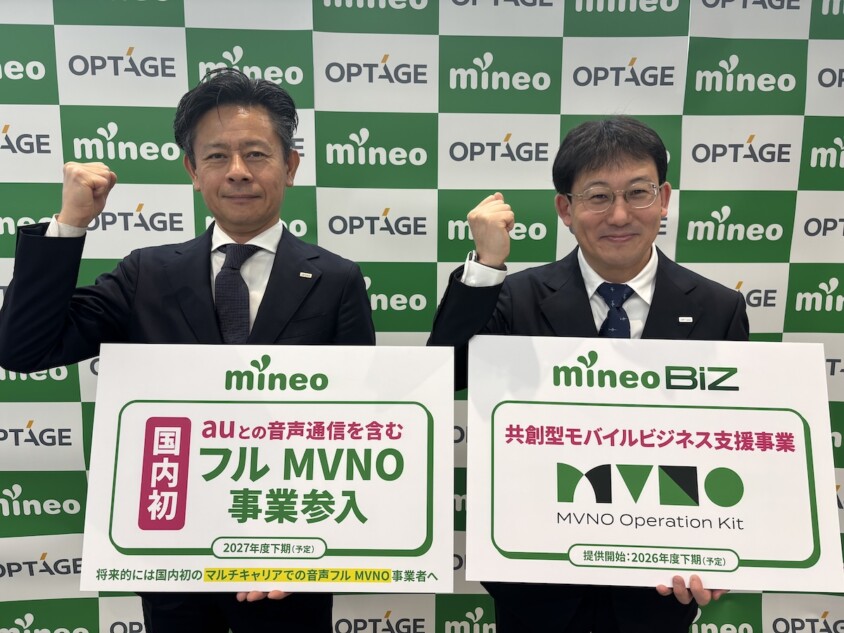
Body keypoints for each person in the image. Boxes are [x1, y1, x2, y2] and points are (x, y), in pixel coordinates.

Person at [0, 68, 375, 633]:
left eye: (256, 153)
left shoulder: (337, 278)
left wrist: (312, 548)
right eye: (217, 156)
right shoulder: (146, 273)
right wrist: (71, 223)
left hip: (285, 554)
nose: (238, 170)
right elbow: (23, 347)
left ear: (291, 166)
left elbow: (358, 420)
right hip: (172, 550)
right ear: (193, 172)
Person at [428, 116, 747, 633]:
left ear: (664, 199)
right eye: (598, 197)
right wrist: (486, 264)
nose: (619, 214)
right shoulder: (515, 296)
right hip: (536, 583)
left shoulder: (718, 307)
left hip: (659, 585)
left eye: (638, 193)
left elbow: (731, 440)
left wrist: (722, 553)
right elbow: (444, 373)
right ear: (565, 209)